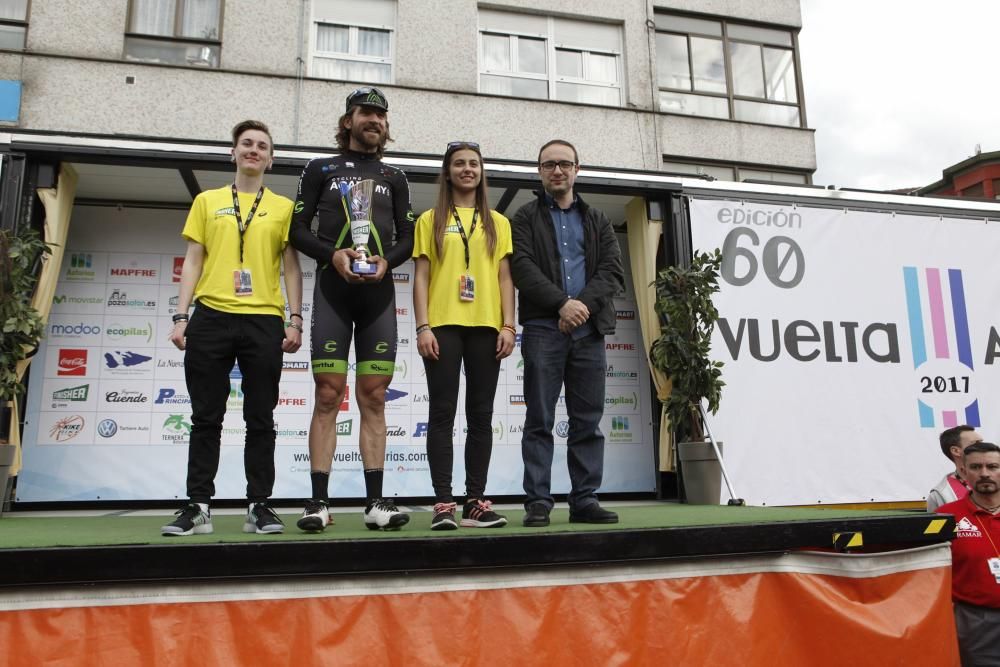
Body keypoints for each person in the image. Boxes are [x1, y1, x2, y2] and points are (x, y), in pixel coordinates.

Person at [161, 119, 302, 536]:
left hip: (263, 319)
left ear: (271, 159)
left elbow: (291, 266)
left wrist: (295, 318)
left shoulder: (283, 208)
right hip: (211, 315)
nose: (253, 150)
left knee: (261, 418)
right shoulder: (207, 201)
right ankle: (198, 505)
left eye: (261, 145)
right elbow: (193, 260)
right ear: (233, 152)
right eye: (246, 144)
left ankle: (259, 505)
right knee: (206, 417)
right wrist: (181, 315)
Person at [289, 87, 414, 532]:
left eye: (381, 115)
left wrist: (386, 262)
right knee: (327, 395)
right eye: (366, 113)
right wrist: (332, 254)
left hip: (378, 292)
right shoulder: (319, 168)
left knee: (375, 397)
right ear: (348, 121)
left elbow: (407, 238)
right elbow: (297, 230)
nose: (375, 120)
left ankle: (376, 502)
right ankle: (317, 503)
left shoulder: (395, 176)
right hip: (333, 289)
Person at [510, 139, 625, 527]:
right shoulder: (523, 217)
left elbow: (611, 270)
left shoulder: (598, 220)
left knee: (587, 420)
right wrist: (562, 303)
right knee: (539, 418)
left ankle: (584, 499)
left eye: (564, 164)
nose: (556, 171)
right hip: (544, 329)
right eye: (548, 165)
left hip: (588, 332)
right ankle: (538, 502)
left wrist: (580, 309)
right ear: (539, 172)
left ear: (577, 169)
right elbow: (522, 268)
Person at [412, 142, 515, 530]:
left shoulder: (498, 222)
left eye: (473, 163)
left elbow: (506, 278)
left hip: (487, 326)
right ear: (448, 171)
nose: (467, 169)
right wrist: (423, 325)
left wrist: (508, 324)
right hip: (442, 324)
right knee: (441, 413)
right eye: (459, 164)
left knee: (481, 416)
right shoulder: (430, 219)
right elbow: (421, 277)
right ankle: (443, 503)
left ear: (481, 171)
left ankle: (475, 501)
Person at [935, 441, 1000, 666]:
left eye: (992, 467)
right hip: (975, 622)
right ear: (964, 471)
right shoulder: (944, 517)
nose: (984, 474)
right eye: (975, 467)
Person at [928, 425, 983, 511]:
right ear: (956, 451)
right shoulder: (940, 494)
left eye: (982, 443)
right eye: (976, 443)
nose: (984, 447)